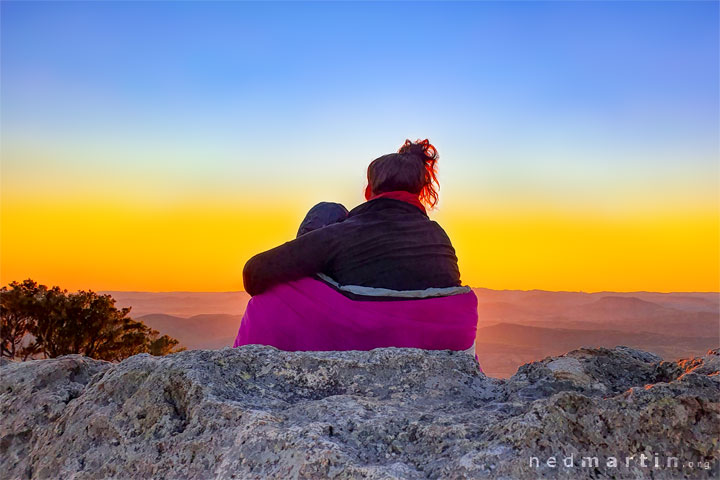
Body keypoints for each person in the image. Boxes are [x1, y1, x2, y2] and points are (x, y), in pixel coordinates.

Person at [233, 139, 479, 367]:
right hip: (436, 341)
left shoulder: (344, 234)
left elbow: (254, 273)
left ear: (369, 190)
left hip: (365, 334)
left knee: (327, 211)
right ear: (419, 192)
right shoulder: (438, 236)